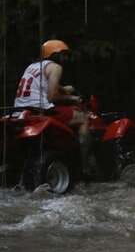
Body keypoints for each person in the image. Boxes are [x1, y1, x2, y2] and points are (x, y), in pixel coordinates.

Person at [14, 39, 93, 173]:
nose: (65, 58)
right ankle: (85, 166)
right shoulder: (56, 67)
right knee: (83, 118)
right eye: (63, 54)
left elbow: (42, 84)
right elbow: (52, 97)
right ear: (54, 55)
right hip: (41, 110)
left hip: (21, 111)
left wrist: (64, 89)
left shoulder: (32, 66)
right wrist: (73, 98)